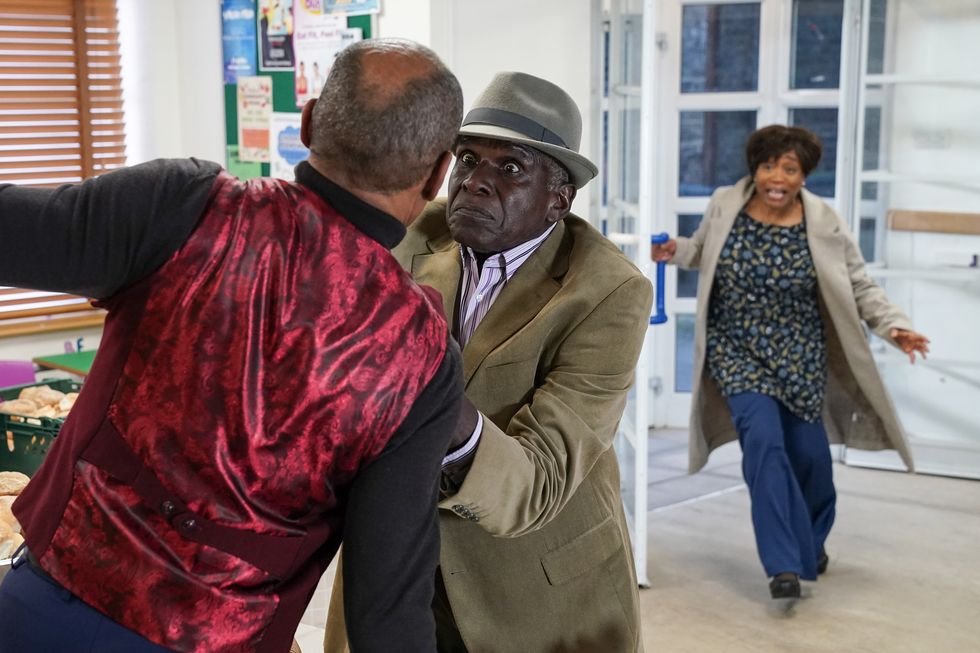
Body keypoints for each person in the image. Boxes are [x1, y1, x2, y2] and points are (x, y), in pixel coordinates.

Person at [0, 38, 465, 653]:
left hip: (47, 608)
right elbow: (387, 609)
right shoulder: (422, 356)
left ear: (307, 123)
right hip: (216, 639)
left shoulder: (182, 206)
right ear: (438, 173)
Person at [325, 72, 653, 652]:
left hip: (532, 589)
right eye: (469, 159)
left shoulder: (606, 290)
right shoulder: (405, 238)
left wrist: (434, 394)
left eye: (511, 168)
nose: (475, 183)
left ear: (559, 198)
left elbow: (542, 478)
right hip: (394, 574)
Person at [651, 124, 930, 599]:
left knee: (812, 462)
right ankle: (783, 564)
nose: (776, 177)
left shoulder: (823, 221)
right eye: (767, 166)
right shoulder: (725, 202)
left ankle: (810, 544)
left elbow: (858, 284)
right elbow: (703, 250)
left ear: (804, 175)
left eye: (789, 168)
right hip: (736, 352)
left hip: (800, 356)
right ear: (754, 169)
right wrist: (677, 251)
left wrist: (894, 326)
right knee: (764, 445)